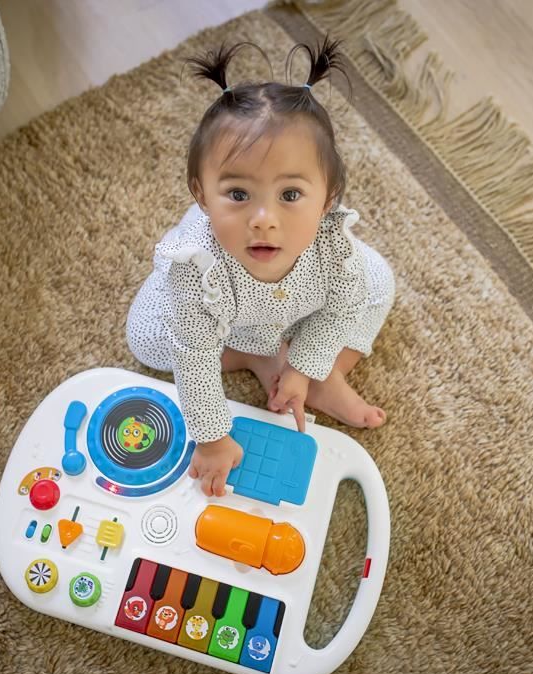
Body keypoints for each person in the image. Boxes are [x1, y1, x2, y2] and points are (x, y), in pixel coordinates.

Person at [126, 38, 395, 498]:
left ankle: (314, 373)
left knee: (377, 281)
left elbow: (342, 309)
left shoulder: (331, 248)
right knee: (148, 338)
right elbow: (193, 358)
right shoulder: (196, 270)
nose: (263, 219)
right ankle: (258, 357)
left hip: (298, 311)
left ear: (327, 198)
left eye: (290, 195)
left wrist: (304, 367)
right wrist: (211, 440)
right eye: (237, 195)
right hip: (220, 321)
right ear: (201, 194)